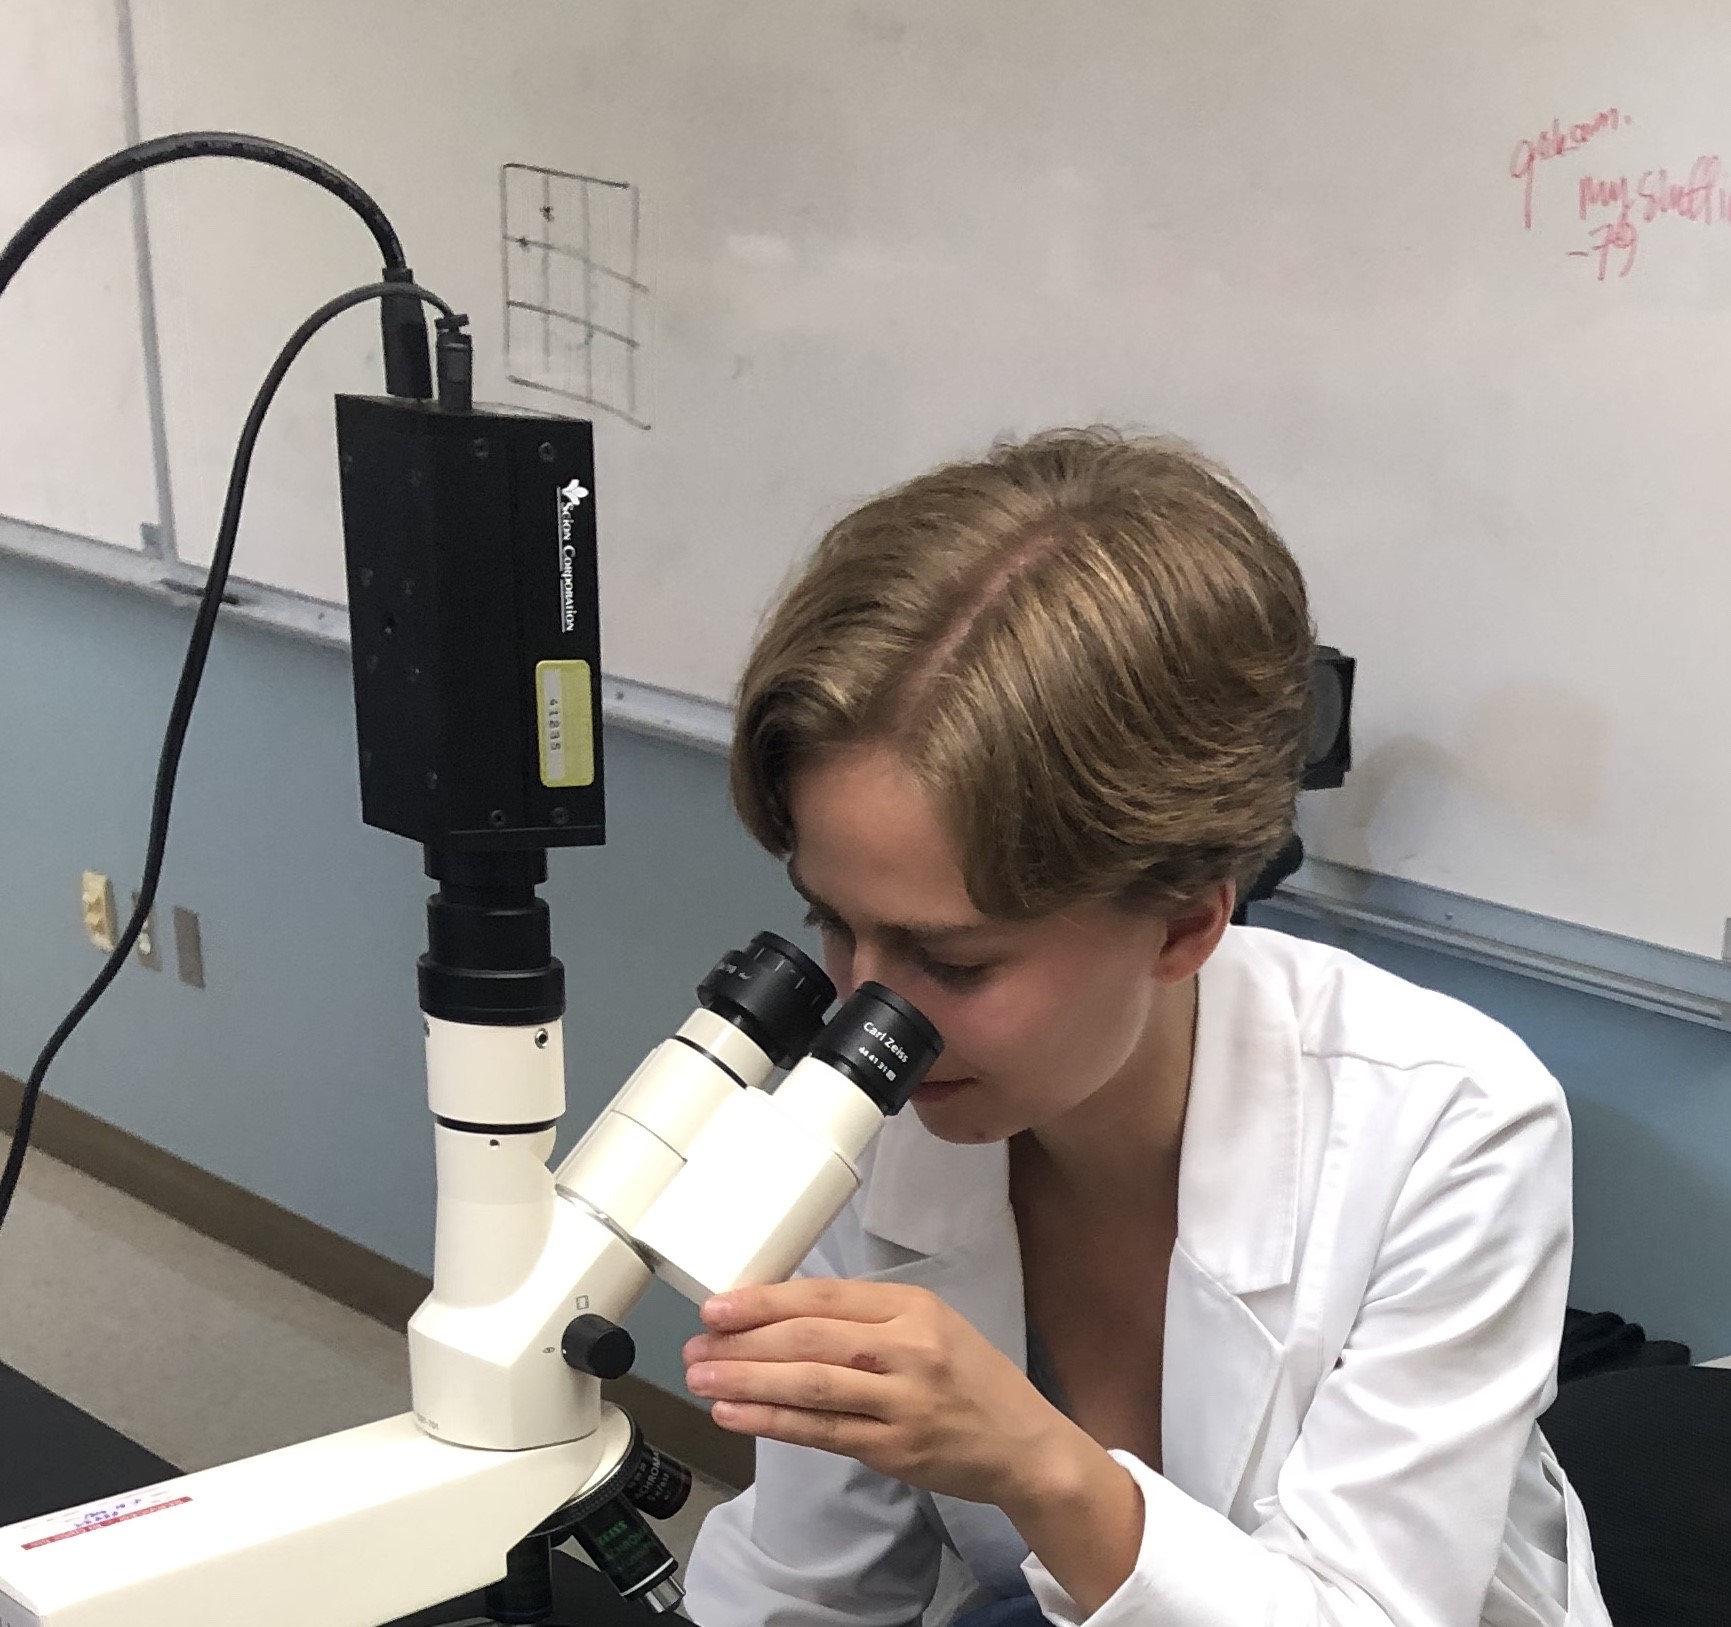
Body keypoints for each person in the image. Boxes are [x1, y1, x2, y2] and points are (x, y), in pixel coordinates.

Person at [679, 430, 1611, 1626]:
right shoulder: (840, 1141)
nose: (871, 1012)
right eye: (834, 923)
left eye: (954, 959)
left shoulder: (1453, 1123)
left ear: (1182, 925)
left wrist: (1035, 1463)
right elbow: (810, 1587)